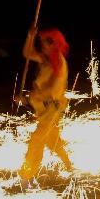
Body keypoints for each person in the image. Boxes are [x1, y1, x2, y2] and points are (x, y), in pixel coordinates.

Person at [15, 26, 73, 182]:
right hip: (44, 108)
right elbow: (27, 53)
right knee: (52, 140)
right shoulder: (47, 59)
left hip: (52, 107)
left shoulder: (59, 64)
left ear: (55, 44)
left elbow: (52, 91)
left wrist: (27, 98)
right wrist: (30, 36)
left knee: (37, 139)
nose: (43, 45)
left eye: (46, 42)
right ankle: (70, 167)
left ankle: (26, 176)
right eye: (41, 42)